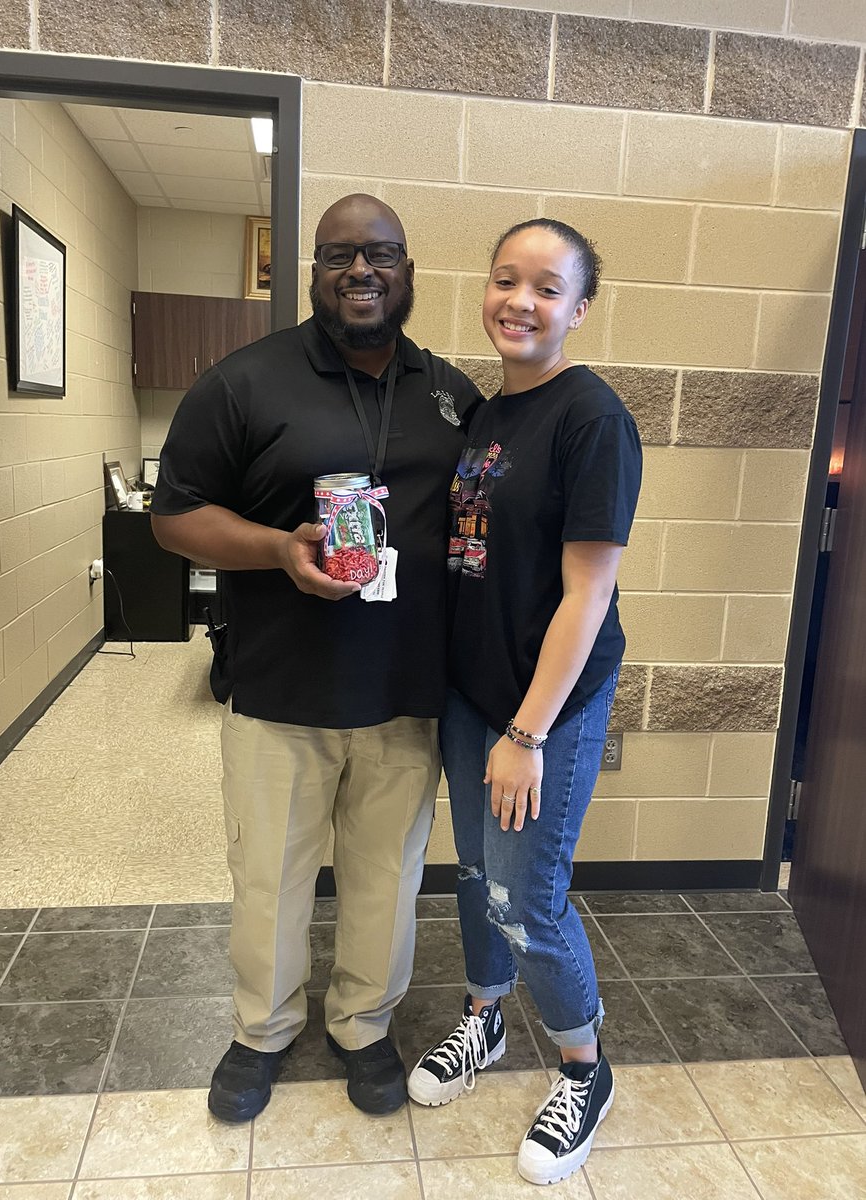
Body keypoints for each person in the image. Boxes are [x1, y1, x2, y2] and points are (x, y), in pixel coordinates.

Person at [150, 195, 482, 1123]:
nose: (361, 271)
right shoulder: (243, 381)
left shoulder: (452, 394)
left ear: (408, 270)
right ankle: (261, 1031)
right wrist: (277, 549)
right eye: (339, 255)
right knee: (269, 879)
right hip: (279, 688)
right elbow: (173, 517)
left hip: (406, 693)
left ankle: (364, 1027)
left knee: (387, 879)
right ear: (313, 272)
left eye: (380, 254)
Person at [406, 218, 642, 1185]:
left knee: (526, 897)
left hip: (543, 709)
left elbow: (588, 596)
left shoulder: (594, 421)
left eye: (548, 287)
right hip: (474, 695)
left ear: (579, 309)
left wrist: (527, 732)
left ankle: (586, 1069)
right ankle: (485, 1017)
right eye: (507, 280)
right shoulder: (486, 413)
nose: (521, 301)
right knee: (475, 877)